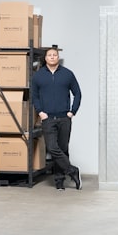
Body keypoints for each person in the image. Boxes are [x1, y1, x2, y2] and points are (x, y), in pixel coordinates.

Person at [30, 46, 82, 190]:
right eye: (49, 55)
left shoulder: (67, 74)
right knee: (53, 148)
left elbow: (77, 93)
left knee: (63, 149)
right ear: (45, 58)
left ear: (58, 57)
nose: (52, 57)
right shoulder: (38, 76)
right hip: (48, 118)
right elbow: (34, 96)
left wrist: (72, 112)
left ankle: (60, 181)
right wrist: (40, 112)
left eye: (55, 55)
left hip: (64, 118)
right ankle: (72, 171)